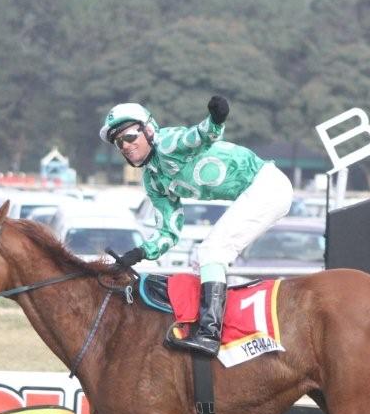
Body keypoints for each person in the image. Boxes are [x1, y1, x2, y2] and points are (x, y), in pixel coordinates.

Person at [99, 96, 294, 356]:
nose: (125, 145)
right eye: (118, 142)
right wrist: (139, 253)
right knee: (200, 261)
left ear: (149, 129)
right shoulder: (152, 180)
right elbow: (169, 231)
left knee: (212, 251)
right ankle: (212, 329)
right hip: (258, 191)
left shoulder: (168, 143)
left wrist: (217, 117)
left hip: (268, 186)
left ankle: (210, 335)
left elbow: (202, 135)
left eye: (130, 136)